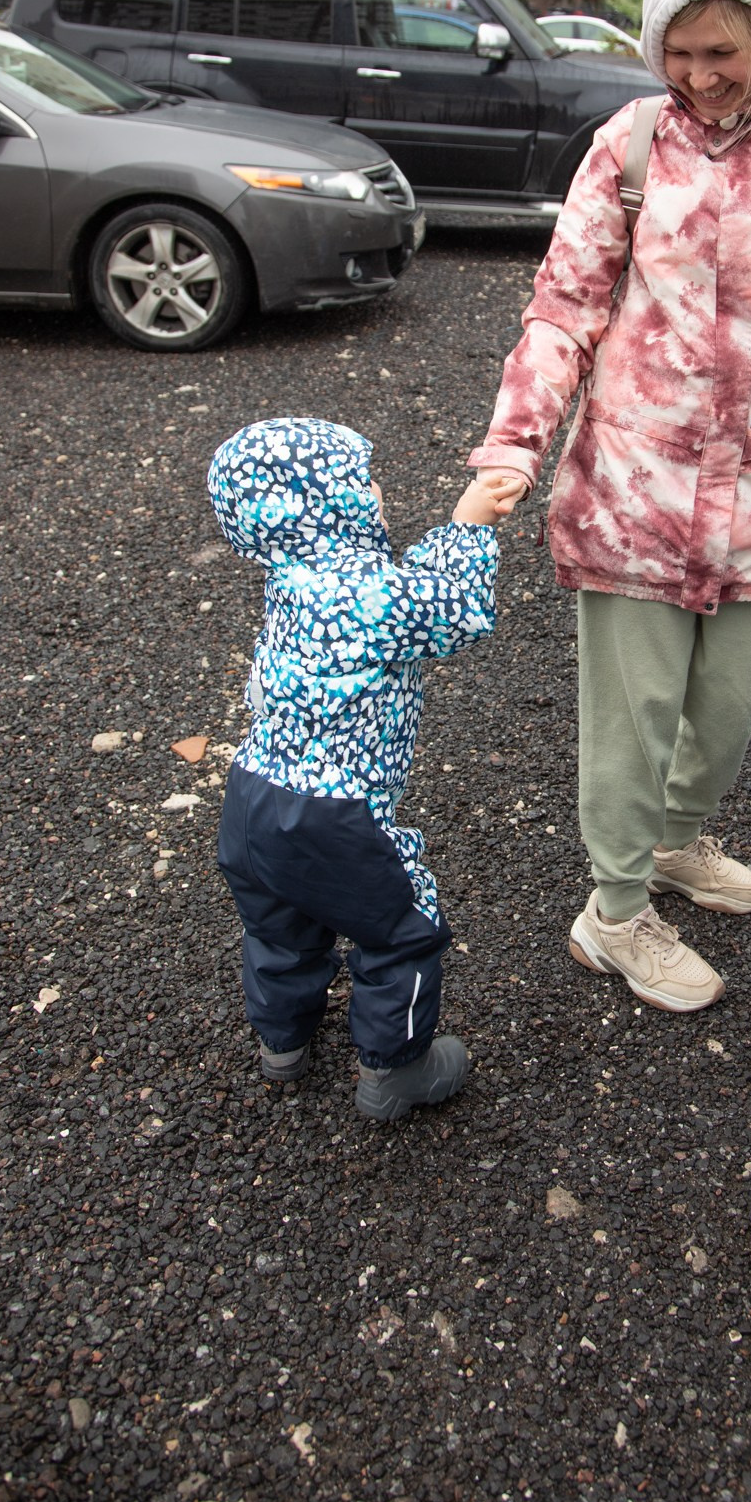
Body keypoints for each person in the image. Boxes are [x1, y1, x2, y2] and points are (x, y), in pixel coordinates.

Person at [469, 0, 751, 1014]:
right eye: (677, 51)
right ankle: (612, 913)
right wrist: (514, 442)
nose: (697, 75)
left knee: (725, 712)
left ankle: (675, 841)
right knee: (634, 715)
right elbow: (564, 305)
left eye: (721, 50)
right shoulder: (631, 143)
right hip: (632, 493)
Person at [207, 418, 519, 1122]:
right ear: (331, 507)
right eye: (360, 482)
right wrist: (466, 525)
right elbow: (457, 609)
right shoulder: (368, 594)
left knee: (280, 928)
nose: (376, 488)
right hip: (336, 815)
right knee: (402, 930)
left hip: (251, 798)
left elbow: (379, 591)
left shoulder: (289, 578)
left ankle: (282, 1045)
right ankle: (397, 1068)